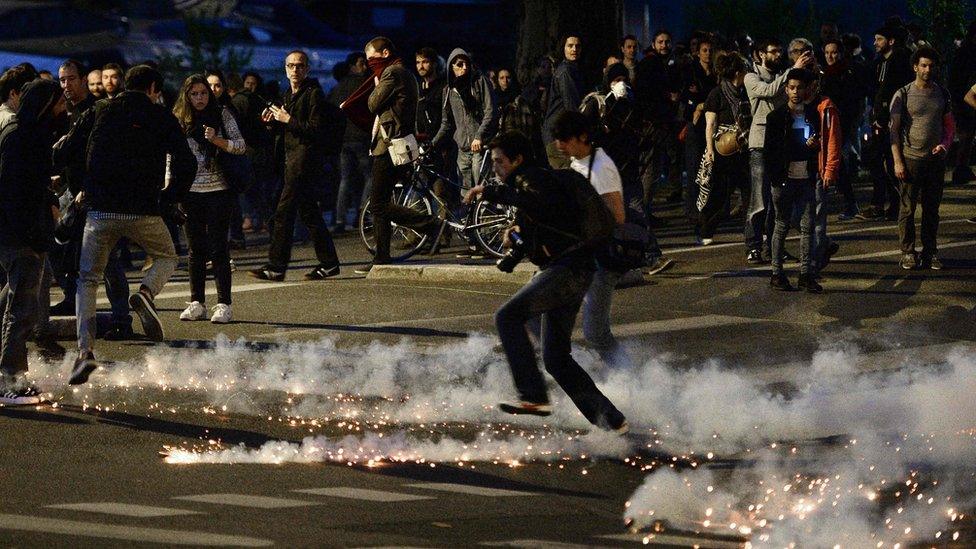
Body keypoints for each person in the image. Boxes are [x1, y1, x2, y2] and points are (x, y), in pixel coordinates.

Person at [462, 131, 628, 433]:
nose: (496, 168)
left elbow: (543, 207)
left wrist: (492, 193)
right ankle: (611, 421)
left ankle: (533, 396)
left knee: (507, 317)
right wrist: (514, 244)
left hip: (567, 271)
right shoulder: (533, 185)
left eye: (500, 161)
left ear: (518, 160)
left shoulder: (531, 181)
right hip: (572, 271)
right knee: (555, 357)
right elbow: (542, 226)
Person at [72, 65, 197, 385]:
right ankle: (145, 292)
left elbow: (70, 149)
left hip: (100, 210)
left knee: (87, 279)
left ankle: (85, 352)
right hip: (144, 209)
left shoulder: (101, 110)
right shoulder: (160, 116)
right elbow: (186, 161)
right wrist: (171, 197)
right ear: (154, 87)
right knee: (168, 256)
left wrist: (81, 189)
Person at [248, 50, 344, 282]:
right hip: (291, 161)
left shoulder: (314, 94)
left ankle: (276, 267)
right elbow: (285, 130)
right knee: (310, 213)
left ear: (307, 69)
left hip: (304, 163)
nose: (295, 70)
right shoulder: (288, 94)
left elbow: (315, 129)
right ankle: (330, 263)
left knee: (283, 214)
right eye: (290, 66)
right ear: (285, 69)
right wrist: (271, 122)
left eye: (299, 66)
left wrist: (287, 119)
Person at [349, 37, 440, 274]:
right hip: (395, 144)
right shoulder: (405, 73)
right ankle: (381, 256)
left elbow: (372, 103)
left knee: (377, 204)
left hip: (391, 146)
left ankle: (429, 224)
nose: (369, 64)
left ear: (385, 53)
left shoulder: (392, 73)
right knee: (381, 202)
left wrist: (376, 85)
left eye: (372, 58)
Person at [0, 79, 66, 404]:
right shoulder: (20, 137)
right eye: (59, 103)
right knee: (20, 310)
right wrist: (30, 235)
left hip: (23, 233)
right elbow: (13, 192)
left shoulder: (28, 135)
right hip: (21, 235)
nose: (63, 109)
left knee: (11, 303)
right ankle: (10, 381)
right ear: (45, 105)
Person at [552, 111, 631, 364]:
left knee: (596, 333)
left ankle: (630, 378)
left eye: (565, 139)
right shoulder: (580, 163)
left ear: (583, 137)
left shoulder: (600, 168)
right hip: (582, 257)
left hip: (600, 260)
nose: (559, 145)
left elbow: (617, 216)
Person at [173, 75, 247, 324]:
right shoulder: (180, 118)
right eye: (194, 94)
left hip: (219, 189)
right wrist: (169, 189)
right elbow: (170, 156)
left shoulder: (222, 113)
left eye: (203, 93)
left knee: (218, 248)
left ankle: (224, 303)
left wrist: (216, 140)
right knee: (195, 250)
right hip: (190, 191)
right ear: (187, 96)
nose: (200, 98)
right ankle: (197, 302)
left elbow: (240, 145)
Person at [764, 69, 842, 292]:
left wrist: (815, 149)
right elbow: (772, 151)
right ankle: (776, 273)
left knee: (808, 228)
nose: (796, 92)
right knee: (781, 225)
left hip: (806, 178)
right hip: (784, 180)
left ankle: (806, 274)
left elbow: (820, 144)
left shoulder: (812, 114)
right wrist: (777, 178)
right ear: (786, 89)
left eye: (800, 87)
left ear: (807, 89)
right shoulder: (776, 117)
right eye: (791, 87)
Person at [744, 38, 813, 262]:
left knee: (777, 198)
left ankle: (773, 246)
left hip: (779, 143)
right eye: (773, 51)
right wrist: (793, 70)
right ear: (761, 54)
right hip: (759, 143)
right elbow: (771, 91)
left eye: (779, 51)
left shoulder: (782, 75)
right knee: (758, 198)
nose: (777, 55)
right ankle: (753, 245)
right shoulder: (751, 76)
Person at [890, 47, 955, 271]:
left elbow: (949, 126)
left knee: (932, 209)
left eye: (931, 65)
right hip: (911, 158)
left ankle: (930, 252)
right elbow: (894, 131)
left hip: (935, 160)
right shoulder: (903, 94)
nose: (927, 69)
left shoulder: (942, 93)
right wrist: (898, 161)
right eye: (923, 65)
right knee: (907, 208)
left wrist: (944, 146)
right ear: (915, 67)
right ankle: (908, 252)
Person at [856, 26, 913, 221]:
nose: (875, 43)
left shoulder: (897, 61)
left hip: (890, 120)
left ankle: (894, 205)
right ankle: (882, 203)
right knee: (877, 160)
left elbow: (889, 92)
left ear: (891, 41)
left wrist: (881, 118)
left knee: (889, 162)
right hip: (881, 119)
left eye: (879, 39)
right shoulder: (880, 62)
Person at [698, 52, 751, 246]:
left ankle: (752, 231)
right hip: (723, 150)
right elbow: (710, 124)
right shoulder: (717, 93)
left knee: (749, 191)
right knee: (720, 193)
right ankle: (706, 229)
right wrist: (710, 149)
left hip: (742, 148)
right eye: (745, 70)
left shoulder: (745, 92)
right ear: (737, 72)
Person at [432, 48, 498, 191]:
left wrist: (479, 136)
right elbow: (447, 123)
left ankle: (483, 212)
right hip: (463, 147)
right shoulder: (448, 91)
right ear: (452, 67)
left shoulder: (479, 82)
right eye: (460, 64)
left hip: (480, 145)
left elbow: (490, 111)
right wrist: (433, 143)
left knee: (481, 188)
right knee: (465, 190)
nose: (465, 68)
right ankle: (468, 213)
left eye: (466, 63)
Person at [634, 29, 682, 223]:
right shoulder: (650, 64)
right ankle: (642, 214)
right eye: (660, 42)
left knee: (652, 171)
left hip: (657, 124)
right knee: (649, 170)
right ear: (653, 44)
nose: (664, 46)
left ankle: (645, 211)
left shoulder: (661, 64)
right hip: (651, 125)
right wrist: (667, 97)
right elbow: (647, 92)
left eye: (667, 42)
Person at [821, 39, 866, 220]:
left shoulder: (846, 73)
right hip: (828, 123)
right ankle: (848, 202)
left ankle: (850, 203)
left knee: (836, 162)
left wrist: (849, 122)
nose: (830, 56)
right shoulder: (825, 74)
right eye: (827, 53)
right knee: (834, 163)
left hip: (841, 123)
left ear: (840, 53)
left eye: (833, 52)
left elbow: (852, 100)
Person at [329, 52, 373, 233]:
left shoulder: (338, 87)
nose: (364, 67)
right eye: (361, 63)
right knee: (369, 176)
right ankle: (364, 214)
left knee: (345, 180)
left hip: (343, 139)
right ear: (353, 66)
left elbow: (330, 113)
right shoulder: (363, 85)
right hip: (361, 137)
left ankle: (340, 219)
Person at [682, 35, 717, 221]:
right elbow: (689, 98)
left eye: (711, 51)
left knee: (710, 167)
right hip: (696, 126)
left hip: (711, 124)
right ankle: (692, 208)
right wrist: (698, 105)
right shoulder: (692, 72)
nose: (708, 54)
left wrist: (702, 105)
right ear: (698, 52)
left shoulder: (716, 72)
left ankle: (707, 207)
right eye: (704, 50)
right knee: (694, 166)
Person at [542, 34, 584, 169]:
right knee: (567, 180)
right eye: (570, 46)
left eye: (577, 46)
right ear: (563, 49)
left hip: (560, 133)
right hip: (559, 136)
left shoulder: (572, 69)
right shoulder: (565, 71)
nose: (574, 49)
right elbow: (571, 106)